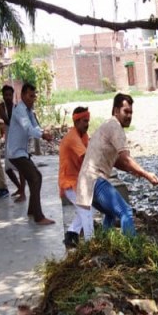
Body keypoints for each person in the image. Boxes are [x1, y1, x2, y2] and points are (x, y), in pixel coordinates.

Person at [76, 93, 158, 237]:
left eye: (131, 112)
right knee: (125, 211)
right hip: (95, 180)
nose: (129, 116)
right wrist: (147, 175)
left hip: (85, 184)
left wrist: (134, 171)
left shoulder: (107, 125)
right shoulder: (115, 127)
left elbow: (116, 161)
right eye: (126, 111)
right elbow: (126, 159)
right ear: (115, 110)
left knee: (110, 213)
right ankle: (133, 252)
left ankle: (105, 245)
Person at [6, 83, 55, 225]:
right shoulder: (20, 110)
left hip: (21, 152)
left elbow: (35, 126)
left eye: (34, 96)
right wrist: (42, 134)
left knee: (36, 177)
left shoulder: (28, 110)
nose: (32, 99)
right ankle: (38, 216)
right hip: (15, 153)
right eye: (30, 95)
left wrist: (43, 132)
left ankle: (32, 210)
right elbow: (28, 129)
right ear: (22, 95)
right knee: (35, 178)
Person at [59, 106, 94, 248]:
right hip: (69, 182)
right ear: (77, 121)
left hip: (78, 181)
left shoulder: (83, 136)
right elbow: (88, 157)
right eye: (85, 121)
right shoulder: (73, 137)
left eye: (88, 121)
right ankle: (91, 244)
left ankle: (71, 235)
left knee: (87, 209)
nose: (87, 124)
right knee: (87, 210)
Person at [0, 84, 26, 202]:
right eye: (6, 95)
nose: (8, 97)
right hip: (9, 141)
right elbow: (6, 120)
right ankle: (20, 188)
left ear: (13, 95)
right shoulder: (2, 107)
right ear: (3, 96)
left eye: (10, 95)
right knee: (8, 169)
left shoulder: (16, 108)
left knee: (20, 167)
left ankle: (23, 193)